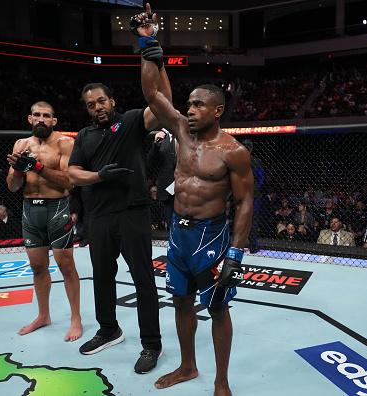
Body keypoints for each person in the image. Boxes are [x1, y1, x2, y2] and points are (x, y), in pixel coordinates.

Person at [138, 6, 254, 395]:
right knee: (180, 301)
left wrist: (236, 255)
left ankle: (222, 381)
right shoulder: (180, 132)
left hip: (212, 237)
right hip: (177, 234)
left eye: (198, 105)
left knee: (218, 307)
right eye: (187, 104)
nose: (189, 109)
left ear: (217, 110)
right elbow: (152, 94)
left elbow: (245, 203)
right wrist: (147, 43)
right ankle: (188, 367)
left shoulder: (232, 151)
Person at [67, 8, 172, 372]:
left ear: (112, 101)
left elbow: (161, 106)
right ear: (87, 109)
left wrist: (152, 54)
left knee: (143, 280)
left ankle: (152, 344)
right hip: (98, 216)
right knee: (102, 278)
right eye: (91, 104)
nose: (97, 107)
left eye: (102, 101)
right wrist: (98, 177)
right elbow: (73, 174)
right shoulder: (83, 136)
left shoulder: (129, 122)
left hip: (132, 211)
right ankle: (108, 330)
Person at [6, 101, 82, 342]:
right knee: (38, 267)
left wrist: (36, 167)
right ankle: (43, 315)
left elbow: (69, 182)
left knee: (66, 266)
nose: (41, 119)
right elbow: (12, 186)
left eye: (46, 115)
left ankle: (75, 319)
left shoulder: (65, 143)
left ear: (54, 120)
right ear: (30, 119)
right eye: (36, 115)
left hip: (57, 207)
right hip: (30, 210)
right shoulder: (21, 144)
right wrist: (19, 171)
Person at [146, 128, 176, 231]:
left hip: (184, 185)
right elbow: (150, 162)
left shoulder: (188, 134)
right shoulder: (162, 138)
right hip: (167, 187)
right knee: (170, 222)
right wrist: (156, 143)